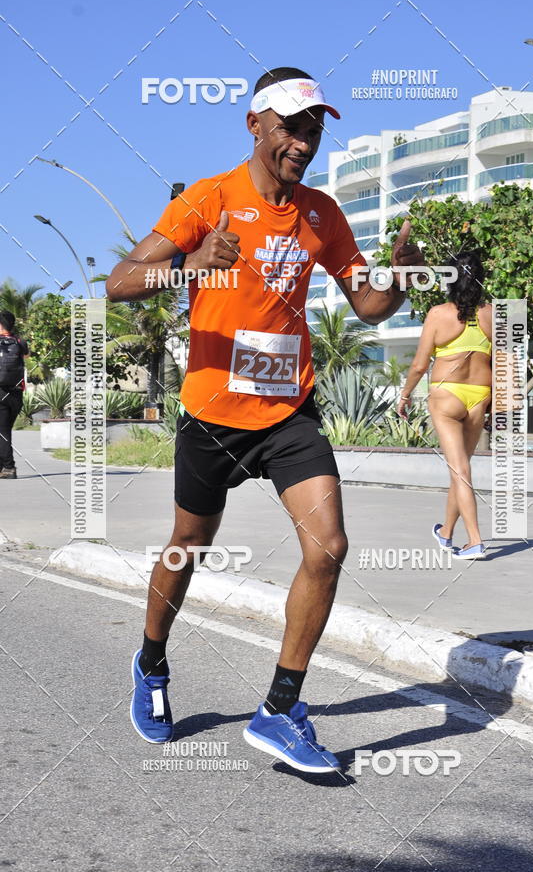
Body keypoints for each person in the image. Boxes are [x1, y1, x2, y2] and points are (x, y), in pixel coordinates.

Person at [106, 66, 424, 772]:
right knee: (190, 544)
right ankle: (152, 661)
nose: (303, 142)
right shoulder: (209, 198)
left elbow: (367, 306)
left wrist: (400, 277)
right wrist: (188, 265)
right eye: (290, 126)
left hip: (289, 412)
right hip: (214, 412)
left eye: (313, 128)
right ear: (255, 125)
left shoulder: (322, 213)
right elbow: (119, 282)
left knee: (330, 545)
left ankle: (280, 708)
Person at [396, 251, 491, 560]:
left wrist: (405, 394)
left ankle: (475, 540)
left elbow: (420, 365)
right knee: (460, 468)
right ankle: (447, 532)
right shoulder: (494, 314)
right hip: (480, 396)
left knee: (460, 470)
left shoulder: (438, 314)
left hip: (446, 395)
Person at [0, 310, 28, 479]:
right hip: (16, 394)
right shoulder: (20, 341)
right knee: (4, 431)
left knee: (2, 432)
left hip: (1, 392)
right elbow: (25, 355)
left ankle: (9, 468)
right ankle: (3, 467)